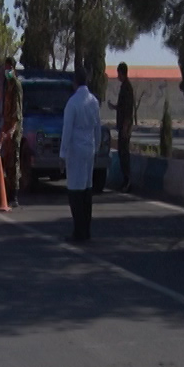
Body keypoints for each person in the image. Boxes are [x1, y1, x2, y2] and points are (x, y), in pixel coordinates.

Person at [60, 67, 102, 242]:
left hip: (76, 151)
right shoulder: (93, 101)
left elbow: (67, 130)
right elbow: (98, 127)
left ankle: (78, 231)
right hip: (89, 149)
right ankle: (87, 230)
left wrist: (62, 154)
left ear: (75, 82)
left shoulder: (73, 103)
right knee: (87, 189)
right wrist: (97, 147)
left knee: (75, 190)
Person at [107, 62, 134, 192]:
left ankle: (127, 180)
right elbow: (122, 106)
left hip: (125, 127)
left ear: (122, 73)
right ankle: (125, 180)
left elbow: (128, 110)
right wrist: (113, 106)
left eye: (118, 73)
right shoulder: (124, 87)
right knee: (122, 153)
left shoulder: (127, 88)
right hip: (123, 126)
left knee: (124, 154)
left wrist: (125, 127)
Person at [1, 56, 23, 208]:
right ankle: (8, 193)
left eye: (9, 68)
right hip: (7, 127)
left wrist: (11, 130)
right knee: (7, 160)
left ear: (13, 69)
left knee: (13, 161)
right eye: (5, 68)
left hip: (14, 131)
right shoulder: (8, 85)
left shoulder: (16, 85)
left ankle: (14, 195)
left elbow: (16, 112)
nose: (6, 71)